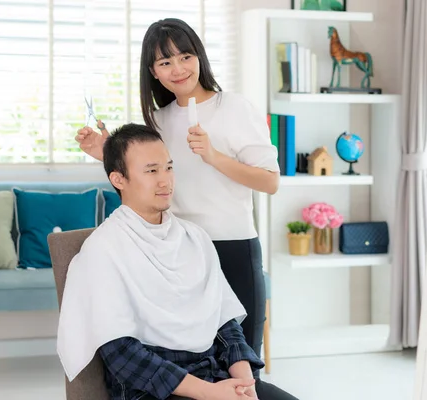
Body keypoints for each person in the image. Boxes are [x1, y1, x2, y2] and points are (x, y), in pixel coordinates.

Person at [75, 18, 279, 369]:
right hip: (178, 254)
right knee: (197, 364)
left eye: (184, 56)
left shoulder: (234, 107)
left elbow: (270, 182)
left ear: (199, 56)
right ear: (153, 72)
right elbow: (145, 180)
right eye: (165, 62)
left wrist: (213, 156)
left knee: (243, 363)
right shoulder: (158, 120)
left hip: (232, 246)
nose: (178, 69)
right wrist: (104, 153)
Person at [58, 123, 297, 400]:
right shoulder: (103, 250)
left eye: (168, 168)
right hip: (150, 391)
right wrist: (208, 393)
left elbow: (225, 323)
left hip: (213, 375)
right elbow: (122, 354)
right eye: (151, 171)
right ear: (118, 179)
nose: (165, 181)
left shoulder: (194, 237)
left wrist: (245, 382)